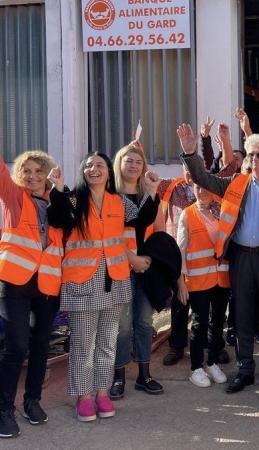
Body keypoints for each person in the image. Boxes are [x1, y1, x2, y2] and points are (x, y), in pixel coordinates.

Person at [179, 124, 259, 395]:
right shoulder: (236, 183)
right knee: (243, 317)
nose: (254, 160)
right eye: (250, 155)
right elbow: (204, 179)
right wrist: (190, 153)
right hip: (242, 259)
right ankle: (245, 370)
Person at [47, 153, 159, 422]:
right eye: (88, 165)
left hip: (115, 280)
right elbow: (58, 219)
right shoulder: (73, 198)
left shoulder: (118, 201)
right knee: (84, 345)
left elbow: (142, 218)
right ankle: (83, 397)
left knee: (107, 343)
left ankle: (102, 392)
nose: (93, 169)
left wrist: (152, 191)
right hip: (82, 282)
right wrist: (57, 188)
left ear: (109, 172)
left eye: (99, 165)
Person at [0, 151, 63, 438]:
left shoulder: (57, 202)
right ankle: (4, 410)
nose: (33, 176)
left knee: (41, 345)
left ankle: (32, 402)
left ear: (48, 173)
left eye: (39, 171)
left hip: (47, 285)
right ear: (18, 173)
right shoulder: (14, 196)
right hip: (14, 282)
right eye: (26, 170)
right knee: (16, 345)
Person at [110, 142, 163, 399]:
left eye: (138, 162)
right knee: (122, 325)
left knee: (144, 321)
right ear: (119, 164)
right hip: (120, 266)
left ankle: (144, 375)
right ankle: (118, 376)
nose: (133, 165)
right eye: (128, 160)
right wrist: (131, 258)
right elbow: (113, 231)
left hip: (146, 267)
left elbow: (154, 228)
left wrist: (154, 261)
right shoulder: (109, 195)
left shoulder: (149, 195)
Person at [176, 183, 230, 388]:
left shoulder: (221, 211)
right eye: (197, 188)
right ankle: (196, 367)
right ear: (192, 191)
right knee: (199, 324)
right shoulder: (187, 214)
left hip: (221, 277)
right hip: (198, 279)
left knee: (217, 322)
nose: (202, 191)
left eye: (205, 187)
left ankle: (213, 362)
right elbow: (180, 250)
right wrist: (180, 281)